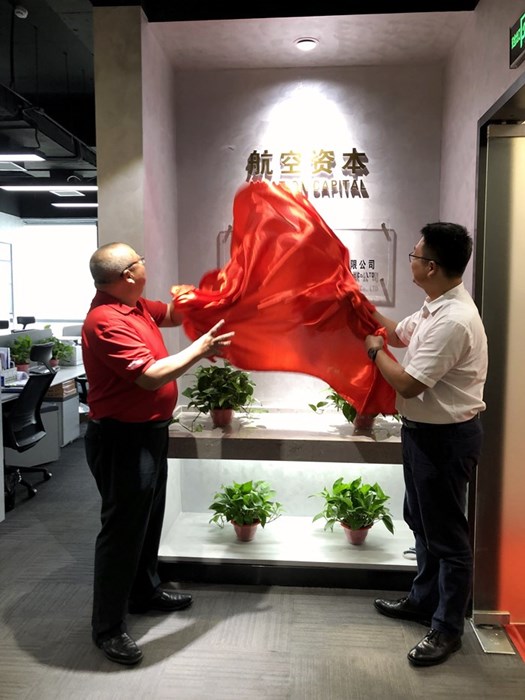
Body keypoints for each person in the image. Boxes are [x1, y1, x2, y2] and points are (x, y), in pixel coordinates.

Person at [82, 242, 235, 666]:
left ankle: (144, 592)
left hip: (148, 433)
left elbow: (171, 314)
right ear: (128, 275)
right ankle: (108, 628)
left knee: (148, 521)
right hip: (121, 440)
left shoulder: (134, 306)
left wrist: (210, 296)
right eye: (141, 260)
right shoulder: (105, 320)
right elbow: (149, 376)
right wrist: (200, 349)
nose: (145, 264)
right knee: (121, 532)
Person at [364, 222, 488, 667]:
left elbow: (409, 384)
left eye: (415, 255)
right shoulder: (436, 306)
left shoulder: (454, 320)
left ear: (431, 266)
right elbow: (399, 332)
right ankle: (423, 600)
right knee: (421, 521)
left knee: (449, 538)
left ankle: (447, 629)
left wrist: (374, 352)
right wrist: (356, 304)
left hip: (445, 440)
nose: (411, 261)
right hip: (421, 434)